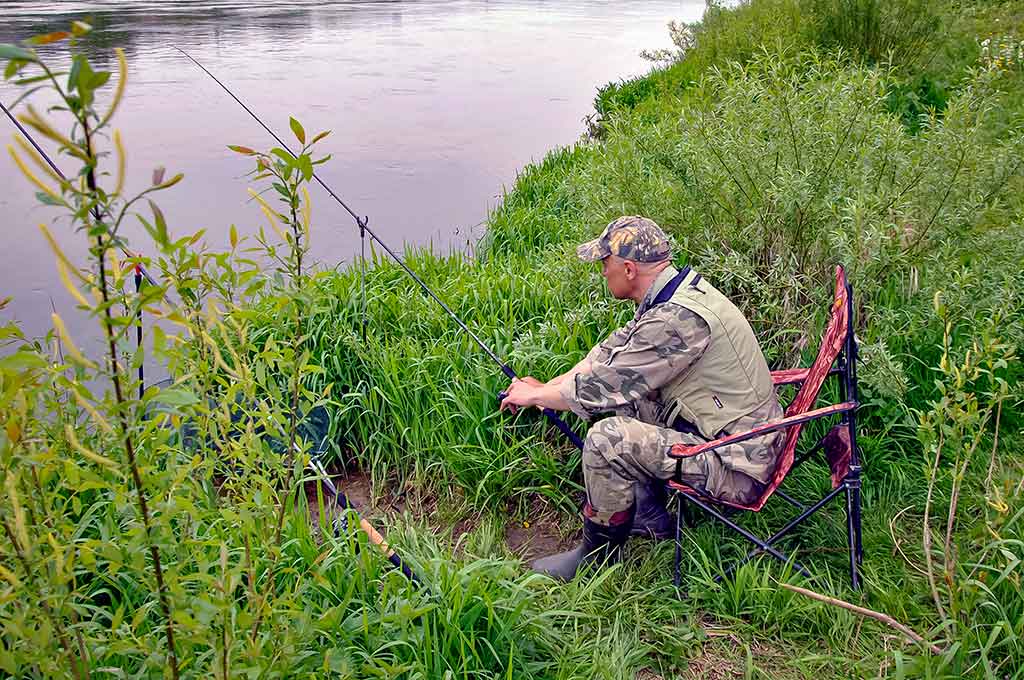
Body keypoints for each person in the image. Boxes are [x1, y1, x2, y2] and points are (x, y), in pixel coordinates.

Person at [499, 216, 784, 581]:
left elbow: (602, 386)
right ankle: (648, 515)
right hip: (734, 435)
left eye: (605, 264)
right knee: (626, 396)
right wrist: (540, 389)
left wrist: (539, 395)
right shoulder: (676, 293)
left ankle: (597, 556)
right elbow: (607, 356)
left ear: (629, 269)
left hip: (738, 464)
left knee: (606, 441)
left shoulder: (675, 321)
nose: (603, 273)